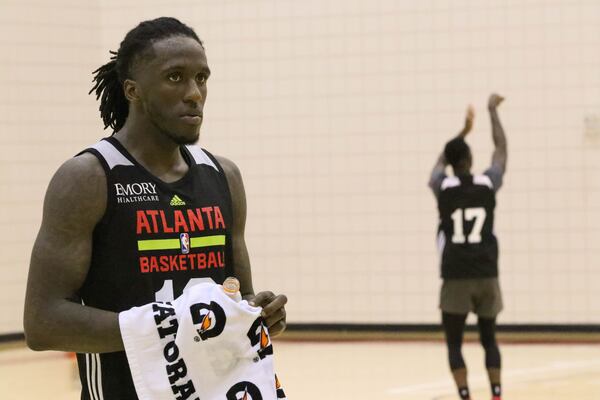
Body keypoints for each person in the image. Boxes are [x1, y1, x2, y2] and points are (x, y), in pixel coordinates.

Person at [23, 17, 287, 399]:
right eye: (176, 77)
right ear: (132, 90)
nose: (195, 93)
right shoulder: (88, 177)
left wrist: (257, 313)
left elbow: (237, 298)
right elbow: (43, 323)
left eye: (202, 77)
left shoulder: (223, 176)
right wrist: (172, 328)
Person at [428, 94, 507, 400]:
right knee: (490, 340)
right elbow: (501, 151)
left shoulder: (442, 187)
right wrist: (491, 112)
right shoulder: (488, 184)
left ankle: (464, 395)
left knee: (454, 345)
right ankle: (497, 393)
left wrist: (462, 131)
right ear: (471, 160)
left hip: (455, 275)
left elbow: (440, 161)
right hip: (487, 273)